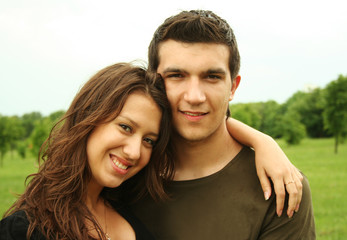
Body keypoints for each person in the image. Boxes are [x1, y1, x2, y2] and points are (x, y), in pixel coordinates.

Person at [129, 10, 316, 239]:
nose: (195, 96)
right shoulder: (126, 170)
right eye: (177, 75)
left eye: (212, 77)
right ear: (153, 81)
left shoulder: (281, 187)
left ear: (233, 87)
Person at [0, 62, 172, 240]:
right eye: (125, 127)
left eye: (148, 140)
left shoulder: (136, 212)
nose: (135, 152)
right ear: (88, 118)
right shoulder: (24, 231)